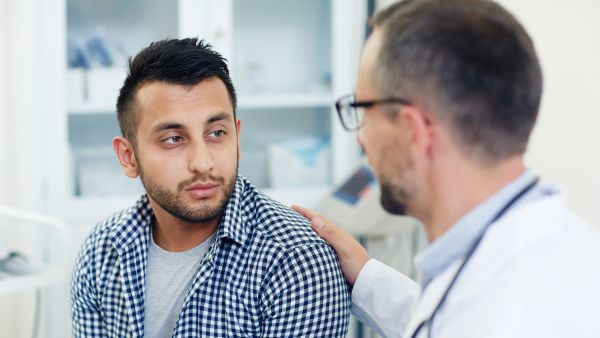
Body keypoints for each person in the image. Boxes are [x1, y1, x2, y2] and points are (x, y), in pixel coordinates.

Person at [293, 0, 600, 337]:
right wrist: (366, 276)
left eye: (362, 110)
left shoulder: (512, 313)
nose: (361, 138)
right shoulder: (558, 251)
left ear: (413, 131)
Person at [71, 38, 350, 338]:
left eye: (217, 133)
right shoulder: (101, 251)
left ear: (237, 138)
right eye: (173, 139)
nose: (203, 163)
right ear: (128, 157)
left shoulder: (297, 261)